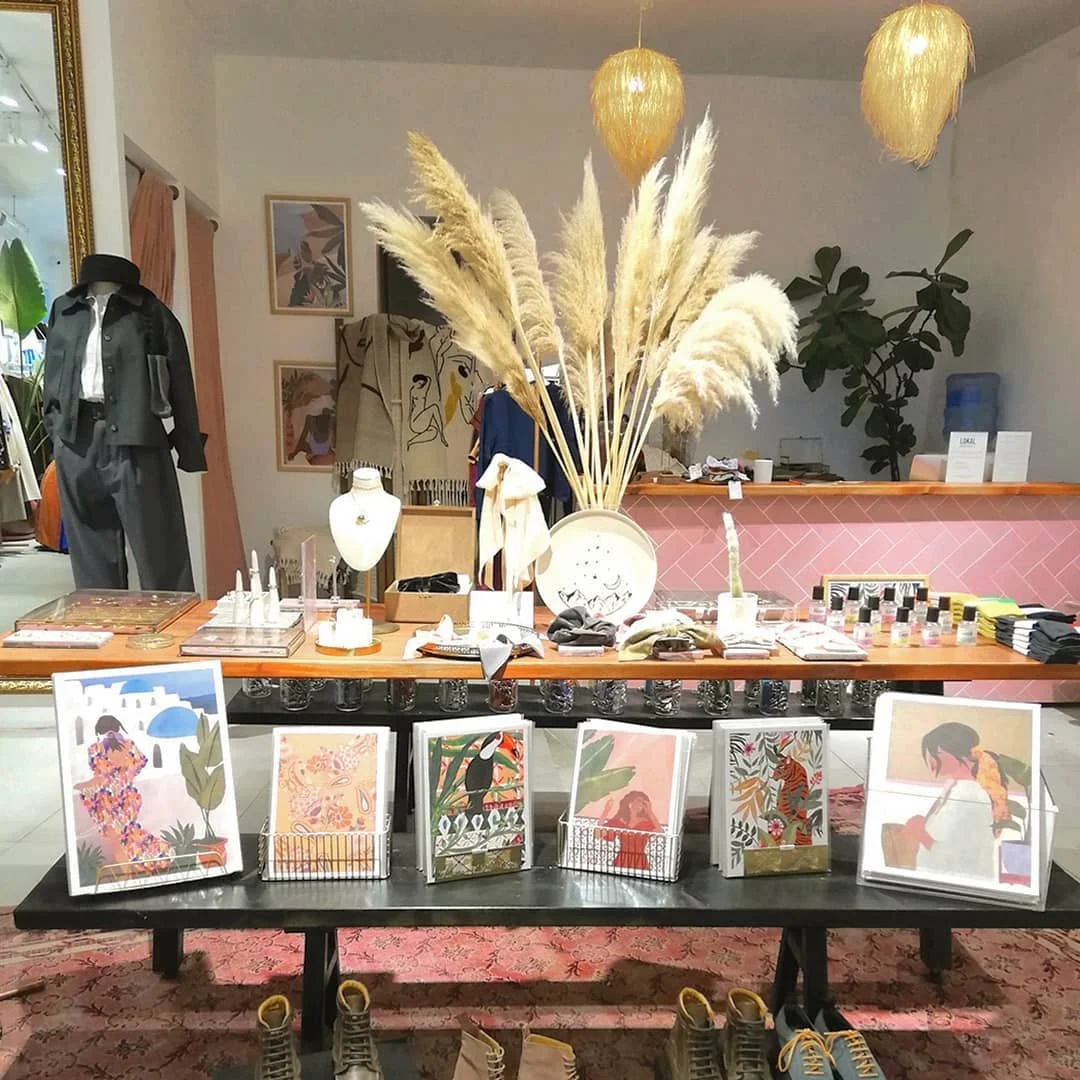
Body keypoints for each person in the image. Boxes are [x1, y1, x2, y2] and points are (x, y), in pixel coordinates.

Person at [895, 721, 1030, 881]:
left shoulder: (968, 794)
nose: (929, 759)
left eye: (934, 752)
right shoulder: (957, 787)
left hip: (954, 883)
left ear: (949, 752)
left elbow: (955, 855)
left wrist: (918, 831)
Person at [76, 714, 172, 876]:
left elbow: (100, 777)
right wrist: (125, 776)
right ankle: (150, 861)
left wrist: (82, 785)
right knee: (130, 833)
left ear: (100, 730)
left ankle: (127, 874)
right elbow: (141, 763)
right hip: (129, 798)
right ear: (117, 728)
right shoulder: (130, 746)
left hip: (108, 802)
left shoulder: (95, 749)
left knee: (117, 841)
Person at [598, 790, 662, 871]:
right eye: (639, 800)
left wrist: (650, 812)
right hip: (622, 860)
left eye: (643, 802)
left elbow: (660, 831)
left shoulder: (645, 822)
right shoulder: (620, 821)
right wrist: (605, 811)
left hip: (640, 861)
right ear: (630, 803)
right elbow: (599, 832)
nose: (641, 804)